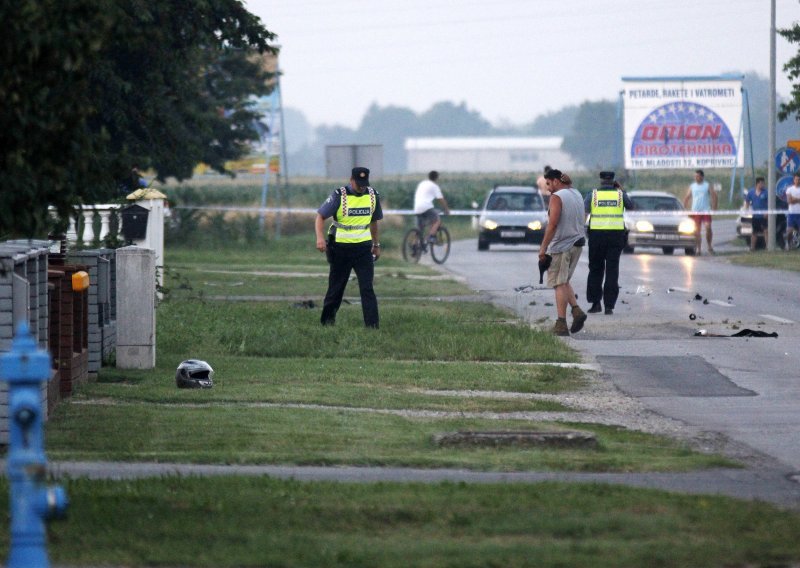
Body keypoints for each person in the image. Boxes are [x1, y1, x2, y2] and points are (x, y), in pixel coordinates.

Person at [315, 167, 383, 328]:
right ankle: (327, 323)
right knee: (336, 288)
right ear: (351, 180)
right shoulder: (339, 195)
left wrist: (376, 244)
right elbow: (320, 216)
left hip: (363, 250)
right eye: (358, 183)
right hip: (340, 249)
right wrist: (319, 238)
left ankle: (372, 327)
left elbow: (374, 222)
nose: (361, 187)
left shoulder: (373, 195)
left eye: (364, 184)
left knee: (367, 288)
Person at [538, 168, 587, 336]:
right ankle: (576, 311)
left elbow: (552, 224)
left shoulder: (557, 197)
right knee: (564, 280)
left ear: (556, 181)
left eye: (549, 183)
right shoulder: (576, 194)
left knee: (558, 283)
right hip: (578, 243)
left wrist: (543, 248)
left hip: (561, 245)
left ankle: (561, 324)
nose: (548, 188)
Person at [584, 171, 634, 315]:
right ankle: (609, 306)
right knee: (612, 271)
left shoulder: (592, 195)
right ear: (613, 181)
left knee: (595, 270)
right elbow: (631, 206)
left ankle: (595, 304)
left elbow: (584, 212)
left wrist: (582, 230)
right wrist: (622, 190)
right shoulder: (620, 195)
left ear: (600, 181)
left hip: (597, 236)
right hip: (615, 237)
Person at [683, 169, 718, 255]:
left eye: (698, 176)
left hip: (705, 210)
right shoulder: (692, 186)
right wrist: (684, 207)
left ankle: (709, 246)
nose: (696, 178)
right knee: (697, 231)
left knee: (708, 227)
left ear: (702, 177)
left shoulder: (707, 185)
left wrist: (714, 207)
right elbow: (687, 197)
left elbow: (714, 196)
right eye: (695, 176)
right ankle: (698, 249)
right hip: (695, 211)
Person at [413, 170, 450, 246]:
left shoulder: (422, 184)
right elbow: (441, 199)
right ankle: (431, 236)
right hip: (426, 207)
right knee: (437, 220)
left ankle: (414, 245)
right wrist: (446, 209)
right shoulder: (435, 186)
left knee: (420, 229)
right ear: (437, 178)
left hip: (417, 207)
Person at [744, 177, 768, 251]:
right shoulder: (751, 192)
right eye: (761, 183)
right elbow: (747, 201)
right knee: (754, 232)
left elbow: (770, 203)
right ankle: (752, 247)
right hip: (755, 216)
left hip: (764, 215)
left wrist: (767, 212)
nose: (763, 185)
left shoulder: (766, 192)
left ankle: (768, 247)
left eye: (763, 183)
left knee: (766, 231)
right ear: (757, 184)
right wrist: (746, 210)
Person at [786, 173, 800, 250]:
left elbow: (792, 199)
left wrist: (794, 198)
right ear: (793, 180)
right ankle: (788, 245)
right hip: (792, 213)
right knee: (789, 231)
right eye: (796, 179)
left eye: (799, 179)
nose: (797, 181)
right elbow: (789, 201)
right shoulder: (790, 189)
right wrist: (797, 199)